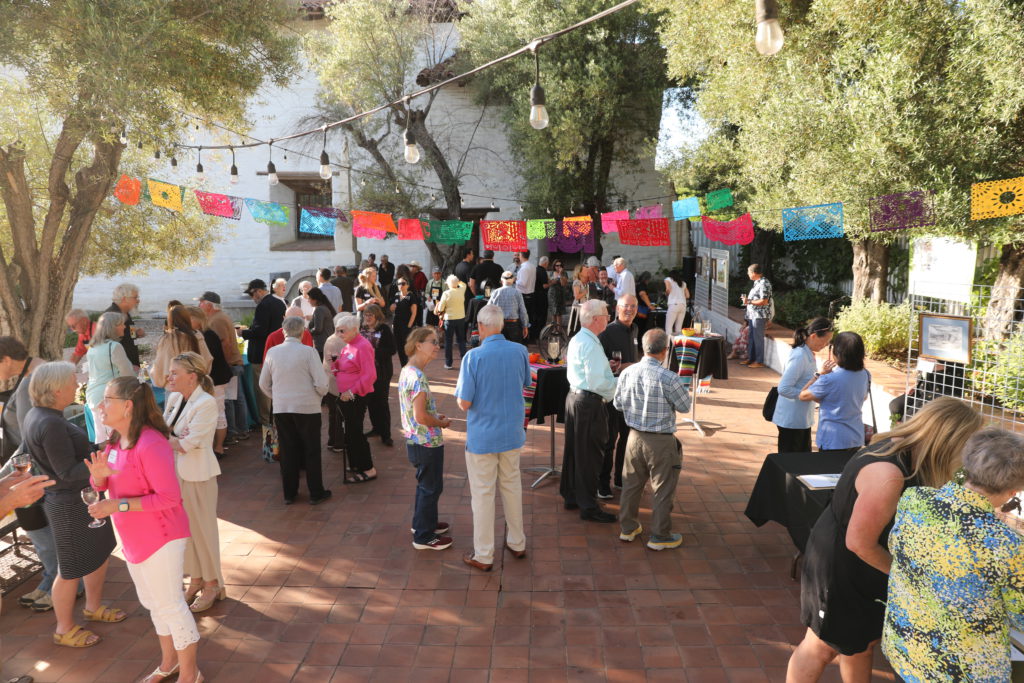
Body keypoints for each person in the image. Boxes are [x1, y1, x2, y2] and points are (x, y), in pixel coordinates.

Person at [786, 397, 982, 682]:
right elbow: (860, 543)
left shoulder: (908, 452)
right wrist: (910, 578)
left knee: (862, 643)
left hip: (865, 566)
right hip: (842, 567)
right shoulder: (889, 475)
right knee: (820, 647)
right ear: (950, 440)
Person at [85, 376, 203, 683]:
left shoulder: (151, 443)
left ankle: (190, 674)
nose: (100, 405)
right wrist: (99, 480)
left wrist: (117, 506)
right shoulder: (114, 441)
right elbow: (106, 483)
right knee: (153, 603)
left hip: (162, 537)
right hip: (133, 538)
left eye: (106, 399)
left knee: (171, 605)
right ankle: (169, 663)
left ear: (127, 406)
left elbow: (169, 498)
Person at [882, 428, 1024, 682]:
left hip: (906, 649)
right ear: (1014, 490)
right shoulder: (1007, 545)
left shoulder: (916, 499)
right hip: (960, 672)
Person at [23, 362, 124, 648]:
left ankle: (93, 607)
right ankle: (64, 628)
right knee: (70, 570)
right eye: (71, 380)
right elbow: (67, 472)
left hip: (81, 499)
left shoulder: (45, 415)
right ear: (56, 389)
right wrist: (101, 466)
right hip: (69, 504)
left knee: (99, 551)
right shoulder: (49, 422)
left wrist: (100, 451)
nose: (77, 383)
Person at [455, 305, 532, 570]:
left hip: (483, 437)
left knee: (483, 494)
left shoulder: (473, 357)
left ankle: (484, 555)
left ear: (481, 326)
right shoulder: (520, 350)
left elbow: (464, 403)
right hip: (511, 432)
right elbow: (526, 384)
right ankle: (517, 542)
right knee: (512, 487)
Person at [0, 337, 66, 613]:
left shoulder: (30, 380)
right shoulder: (34, 372)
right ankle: (57, 581)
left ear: (5, 359)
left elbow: (31, 439)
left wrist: (4, 476)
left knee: (40, 531)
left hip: (27, 474)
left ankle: (56, 584)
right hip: (31, 472)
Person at [614, 329, 691, 550]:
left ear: (644, 347)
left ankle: (627, 528)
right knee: (663, 488)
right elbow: (685, 406)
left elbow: (617, 404)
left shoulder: (628, 372)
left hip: (633, 438)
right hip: (661, 441)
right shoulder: (669, 377)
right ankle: (660, 535)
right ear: (665, 351)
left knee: (631, 485)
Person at [162, 353, 224, 613]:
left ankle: (213, 584)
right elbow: (167, 432)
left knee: (203, 531)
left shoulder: (206, 403)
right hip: (175, 474)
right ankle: (196, 579)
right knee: (185, 532)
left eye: (175, 372)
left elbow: (186, 443)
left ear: (192, 376)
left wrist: (172, 440)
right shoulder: (175, 398)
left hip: (198, 475)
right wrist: (173, 439)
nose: (169, 377)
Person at [260, 317, 332, 504]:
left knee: (288, 449)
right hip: (307, 407)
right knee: (311, 450)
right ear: (303, 332)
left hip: (283, 407)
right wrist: (318, 396)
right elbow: (321, 382)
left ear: (284, 331)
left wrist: (277, 397)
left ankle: (289, 493)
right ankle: (316, 492)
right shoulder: (309, 352)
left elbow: (263, 383)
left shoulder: (273, 352)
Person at [560, 299, 617, 523]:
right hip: (588, 402)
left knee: (575, 451)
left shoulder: (579, 338)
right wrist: (616, 389)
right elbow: (597, 383)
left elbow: (591, 373)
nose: (608, 317)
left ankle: (572, 495)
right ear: (596, 319)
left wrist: (605, 370)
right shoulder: (591, 343)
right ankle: (589, 506)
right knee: (590, 455)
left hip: (575, 398)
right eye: (605, 314)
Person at [399, 327, 454, 551]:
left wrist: (434, 416)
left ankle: (424, 524)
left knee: (427, 486)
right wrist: (440, 423)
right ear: (418, 345)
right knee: (430, 488)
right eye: (433, 341)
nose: (437, 346)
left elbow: (418, 412)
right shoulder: (418, 377)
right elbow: (421, 416)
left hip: (415, 439)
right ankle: (423, 536)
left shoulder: (408, 370)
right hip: (426, 441)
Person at [799, 331, 869, 453]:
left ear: (837, 353)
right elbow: (863, 397)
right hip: (856, 436)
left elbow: (803, 395)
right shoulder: (865, 374)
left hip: (833, 439)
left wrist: (818, 374)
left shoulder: (828, 379)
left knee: (829, 471)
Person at [773, 318, 834, 453]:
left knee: (802, 460)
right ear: (813, 336)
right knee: (791, 462)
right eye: (825, 341)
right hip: (792, 420)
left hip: (801, 418)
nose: (826, 345)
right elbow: (783, 388)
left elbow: (806, 380)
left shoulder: (807, 352)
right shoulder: (800, 355)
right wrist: (806, 394)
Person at [598, 295, 639, 496]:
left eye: (633, 306)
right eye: (625, 306)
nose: (629, 310)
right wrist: (618, 366)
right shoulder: (607, 332)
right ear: (617, 308)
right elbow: (598, 362)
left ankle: (620, 480)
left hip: (630, 393)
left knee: (627, 439)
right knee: (609, 440)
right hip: (612, 393)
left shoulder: (635, 329)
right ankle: (602, 485)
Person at [330, 315, 378, 482]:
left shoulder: (363, 346)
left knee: (356, 431)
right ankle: (356, 462)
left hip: (355, 396)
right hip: (346, 396)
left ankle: (368, 468)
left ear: (354, 330)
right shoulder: (348, 345)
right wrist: (335, 365)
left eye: (341, 331)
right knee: (350, 432)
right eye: (336, 330)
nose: (338, 334)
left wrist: (351, 392)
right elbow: (343, 366)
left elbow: (370, 375)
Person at [198, 292, 249, 446]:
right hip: (233, 363)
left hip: (230, 364)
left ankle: (233, 432)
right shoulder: (220, 317)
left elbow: (224, 343)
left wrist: (224, 364)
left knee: (229, 400)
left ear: (208, 304)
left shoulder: (216, 319)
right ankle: (241, 430)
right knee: (235, 399)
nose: (199, 305)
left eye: (201, 302)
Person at [186, 307, 232, 459]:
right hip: (214, 378)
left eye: (189, 319)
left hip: (215, 379)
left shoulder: (206, 335)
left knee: (218, 413)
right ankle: (215, 447)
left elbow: (207, 360)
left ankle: (218, 447)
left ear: (197, 319)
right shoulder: (203, 334)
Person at [240, 278, 286, 426]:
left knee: (263, 390)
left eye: (252, 295)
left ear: (259, 291)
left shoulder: (263, 305)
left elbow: (260, 331)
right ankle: (275, 419)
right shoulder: (279, 303)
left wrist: (243, 332)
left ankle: (267, 423)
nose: (252, 298)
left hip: (262, 354)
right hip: (277, 352)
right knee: (276, 388)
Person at [84, 312, 134, 443]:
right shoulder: (114, 346)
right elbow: (128, 376)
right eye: (121, 324)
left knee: (101, 438)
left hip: (93, 396)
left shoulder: (93, 347)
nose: (124, 327)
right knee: (114, 439)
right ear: (113, 327)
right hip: (108, 397)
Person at [151, 306, 212, 398]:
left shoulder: (168, 340)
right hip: (196, 387)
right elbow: (207, 360)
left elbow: (161, 366)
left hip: (175, 391)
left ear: (170, 320)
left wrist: (159, 380)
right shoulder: (197, 336)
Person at [360, 304, 397, 448]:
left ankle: (386, 435)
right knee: (371, 402)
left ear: (377, 316)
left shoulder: (384, 329)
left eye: (370, 315)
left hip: (381, 371)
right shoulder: (361, 329)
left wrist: (373, 353)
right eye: (365, 315)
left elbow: (392, 349)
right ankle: (376, 429)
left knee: (382, 403)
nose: (367, 318)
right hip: (365, 373)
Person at [105, 283, 145, 368]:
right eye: (135, 297)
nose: (138, 300)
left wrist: (136, 333)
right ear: (124, 299)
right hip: (120, 367)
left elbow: (130, 335)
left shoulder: (126, 312)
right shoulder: (111, 315)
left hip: (131, 363)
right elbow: (107, 345)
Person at [740, 264, 772, 369]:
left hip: (759, 315)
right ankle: (751, 358)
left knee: (758, 338)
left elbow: (764, 301)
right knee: (751, 337)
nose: (748, 274)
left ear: (754, 273)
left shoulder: (764, 283)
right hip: (753, 314)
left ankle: (759, 361)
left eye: (749, 272)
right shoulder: (757, 282)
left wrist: (748, 301)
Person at [488, 271, 530, 344]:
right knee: (514, 349)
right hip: (514, 325)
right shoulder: (517, 293)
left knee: (500, 349)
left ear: (501, 281)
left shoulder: (495, 292)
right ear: (513, 280)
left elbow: (488, 309)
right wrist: (525, 326)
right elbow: (523, 311)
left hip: (498, 325)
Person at [436, 274, 467, 370]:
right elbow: (464, 284)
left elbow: (440, 308)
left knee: (448, 341)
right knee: (461, 340)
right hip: (461, 318)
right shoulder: (461, 290)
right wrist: (458, 281)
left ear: (448, 284)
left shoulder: (446, 293)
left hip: (449, 319)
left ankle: (448, 363)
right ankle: (464, 361)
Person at [391, 278, 420, 366]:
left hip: (406, 325)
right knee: (399, 347)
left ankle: (412, 365)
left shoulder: (411, 296)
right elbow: (392, 309)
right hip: (397, 325)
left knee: (407, 346)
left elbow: (414, 313)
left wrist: (409, 326)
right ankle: (404, 366)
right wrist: (392, 308)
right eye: (399, 284)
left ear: (407, 285)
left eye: (403, 283)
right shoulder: (396, 295)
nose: (401, 285)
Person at [306, 286, 337, 359]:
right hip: (326, 344)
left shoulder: (319, 309)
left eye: (309, 298)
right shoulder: (324, 307)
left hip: (322, 345)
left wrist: (307, 331)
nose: (308, 300)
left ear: (315, 299)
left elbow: (318, 329)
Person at [514, 250, 537, 337]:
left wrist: (515, 280)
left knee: (524, 318)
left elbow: (523, 283)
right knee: (530, 317)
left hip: (524, 295)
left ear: (521, 255)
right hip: (530, 294)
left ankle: (525, 337)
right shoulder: (532, 266)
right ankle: (530, 336)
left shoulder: (524, 268)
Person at [663, 270, 690, 337]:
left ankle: (669, 345)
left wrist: (665, 294)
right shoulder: (683, 283)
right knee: (678, 329)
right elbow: (688, 296)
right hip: (683, 305)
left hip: (674, 305)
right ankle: (678, 345)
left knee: (668, 328)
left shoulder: (668, 279)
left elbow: (668, 289)